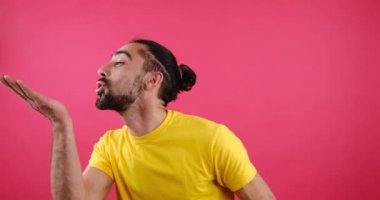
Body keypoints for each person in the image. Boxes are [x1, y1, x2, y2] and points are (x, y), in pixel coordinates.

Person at [0, 39, 276, 200]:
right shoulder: (110, 146)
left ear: (151, 80)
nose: (102, 69)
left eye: (119, 62)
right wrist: (60, 123)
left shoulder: (213, 138)